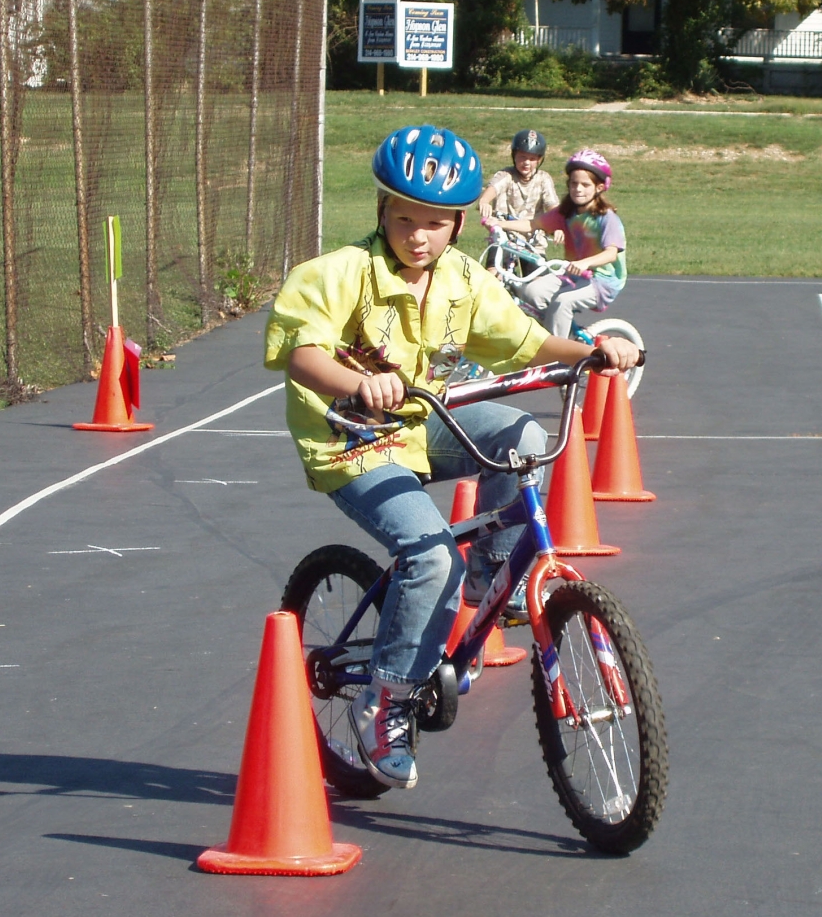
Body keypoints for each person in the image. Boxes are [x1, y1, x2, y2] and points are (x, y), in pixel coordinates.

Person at [264, 125, 639, 791]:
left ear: (459, 224)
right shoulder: (336, 274)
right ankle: (387, 701)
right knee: (430, 552)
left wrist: (591, 351)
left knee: (523, 436)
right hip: (353, 440)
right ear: (381, 212)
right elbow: (302, 352)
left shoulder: (465, 279)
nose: (418, 236)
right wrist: (358, 385)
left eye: (435, 223)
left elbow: (520, 340)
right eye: (404, 219)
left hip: (424, 419)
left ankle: (492, 578)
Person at [485, 148, 626, 340]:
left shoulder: (606, 218)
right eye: (574, 183)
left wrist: (585, 263)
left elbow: (611, 253)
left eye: (585, 185)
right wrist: (499, 224)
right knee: (529, 291)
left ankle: (558, 356)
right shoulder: (565, 213)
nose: (578, 189)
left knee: (562, 302)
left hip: (601, 281)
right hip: (572, 274)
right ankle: (554, 331)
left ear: (599, 188)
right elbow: (532, 224)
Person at [477, 129, 562, 272]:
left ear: (539, 160)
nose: (527, 163)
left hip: (532, 240)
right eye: (522, 157)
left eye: (532, 159)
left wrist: (559, 224)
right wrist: (484, 201)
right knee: (494, 275)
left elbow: (552, 205)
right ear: (514, 156)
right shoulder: (506, 175)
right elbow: (494, 188)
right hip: (503, 238)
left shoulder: (543, 179)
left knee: (539, 285)